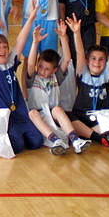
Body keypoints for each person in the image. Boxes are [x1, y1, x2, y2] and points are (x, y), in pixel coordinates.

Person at [0, 0, 44, 154]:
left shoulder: (10, 63)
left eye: (5, 47)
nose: (2, 50)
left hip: (19, 113)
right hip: (2, 118)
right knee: (17, 146)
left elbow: (20, 40)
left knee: (37, 141)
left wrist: (31, 18)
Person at [65, 0, 109, 148]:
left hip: (101, 118)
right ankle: (97, 137)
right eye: (93, 59)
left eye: (101, 59)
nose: (97, 62)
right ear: (87, 61)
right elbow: (79, 52)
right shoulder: (83, 72)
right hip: (81, 116)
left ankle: (87, 134)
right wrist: (76, 33)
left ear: (106, 61)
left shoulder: (107, 73)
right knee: (67, 117)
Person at [25, 21, 91, 155]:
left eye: (47, 69)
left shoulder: (57, 77)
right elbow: (31, 63)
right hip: (38, 116)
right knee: (32, 113)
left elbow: (66, 59)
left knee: (58, 109)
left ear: (54, 70)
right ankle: (55, 141)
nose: (42, 71)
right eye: (40, 66)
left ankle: (76, 140)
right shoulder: (32, 77)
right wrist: (35, 43)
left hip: (53, 115)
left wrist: (63, 37)